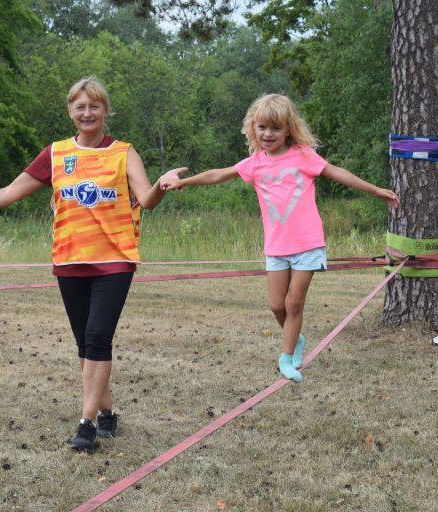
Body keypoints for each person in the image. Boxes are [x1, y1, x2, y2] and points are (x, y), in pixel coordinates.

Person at [0, 77, 186, 452]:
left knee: (98, 337)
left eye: (94, 106)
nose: (87, 113)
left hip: (114, 260)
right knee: (85, 342)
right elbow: (10, 191)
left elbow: (145, 199)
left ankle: (86, 424)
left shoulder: (123, 153)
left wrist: (161, 185)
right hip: (69, 260)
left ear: (105, 111)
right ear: (70, 111)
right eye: (80, 107)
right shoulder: (56, 153)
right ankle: (107, 412)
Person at [159, 93, 399, 383]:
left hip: (308, 244)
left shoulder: (303, 156)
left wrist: (375, 190)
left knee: (294, 302)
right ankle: (295, 338)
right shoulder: (255, 163)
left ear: (288, 129)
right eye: (262, 127)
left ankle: (286, 358)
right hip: (276, 247)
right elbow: (217, 175)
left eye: (275, 128)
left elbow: (337, 173)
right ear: (253, 128)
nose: (268, 134)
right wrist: (183, 182)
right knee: (276, 305)